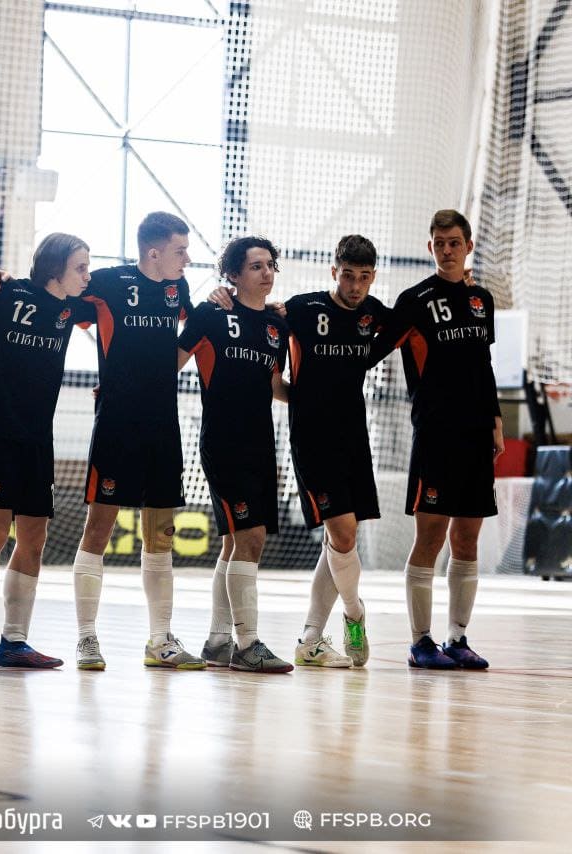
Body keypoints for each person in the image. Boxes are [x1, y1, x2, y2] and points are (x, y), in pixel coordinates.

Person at [210, 235, 388, 667]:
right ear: (334, 271)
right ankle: (354, 613)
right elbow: (257, 320)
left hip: (355, 438)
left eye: (364, 277)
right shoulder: (300, 309)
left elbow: (408, 326)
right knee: (342, 533)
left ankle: (310, 637)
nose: (355, 286)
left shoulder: (375, 314)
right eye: (348, 275)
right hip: (311, 439)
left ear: (372, 278)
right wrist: (222, 296)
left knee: (341, 539)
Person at [367, 210, 503, 670]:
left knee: (467, 540)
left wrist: (496, 420)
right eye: (439, 243)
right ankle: (420, 642)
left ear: (468, 246)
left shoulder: (482, 299)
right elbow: (371, 348)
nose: (447, 250)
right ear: (430, 248)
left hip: (476, 436)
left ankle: (458, 639)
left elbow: (483, 366)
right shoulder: (414, 301)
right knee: (430, 537)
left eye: (454, 242)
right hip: (435, 436)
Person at [69, 211, 205, 671]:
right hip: (117, 424)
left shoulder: (177, 289)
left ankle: (160, 640)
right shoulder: (107, 283)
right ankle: (86, 638)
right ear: (154, 252)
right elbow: (58, 295)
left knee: (161, 533)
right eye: (180, 251)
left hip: (163, 425)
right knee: (98, 530)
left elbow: (193, 333)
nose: (187, 259)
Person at [0, 233, 96, 669]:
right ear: (55, 268)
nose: (87, 276)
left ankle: (14, 642)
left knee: (34, 539)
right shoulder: (7, 292)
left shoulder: (74, 307)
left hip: (37, 440)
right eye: (80, 267)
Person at [177, 236, 293, 673]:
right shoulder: (211, 314)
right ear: (233, 274)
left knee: (234, 543)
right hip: (223, 443)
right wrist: (120, 387)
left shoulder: (277, 326)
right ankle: (248, 644)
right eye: (256, 266)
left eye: (270, 265)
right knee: (251, 538)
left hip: (262, 444)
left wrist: (316, 398)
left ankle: (218, 641)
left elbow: (274, 386)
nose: (266, 273)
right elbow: (171, 361)